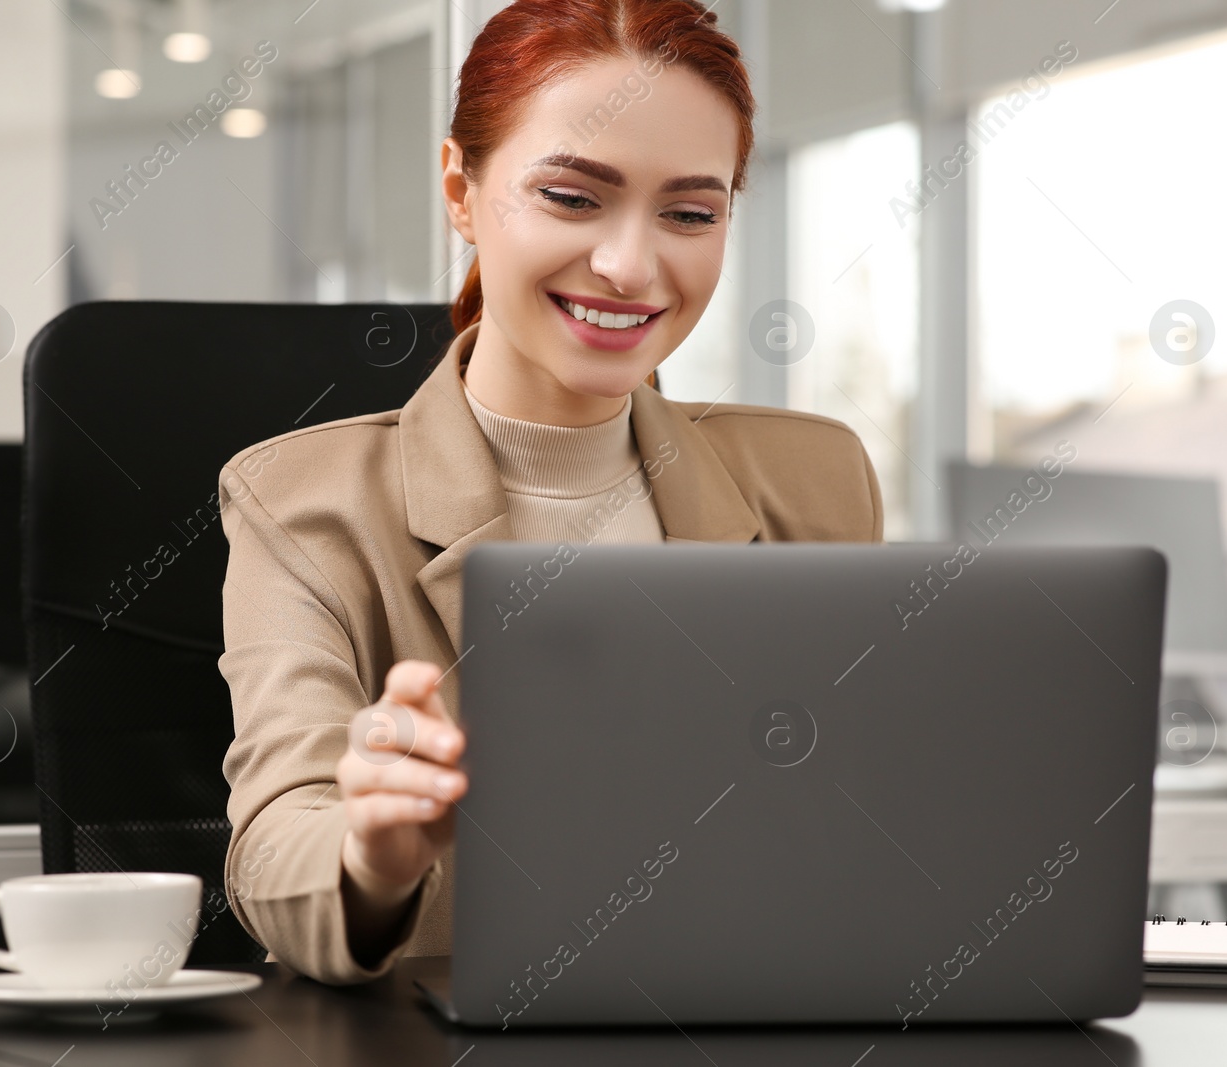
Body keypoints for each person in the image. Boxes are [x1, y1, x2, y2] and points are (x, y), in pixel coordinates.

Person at [217, 0, 883, 984]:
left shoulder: (811, 479)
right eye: (574, 198)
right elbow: (273, 852)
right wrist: (373, 852)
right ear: (460, 187)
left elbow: (858, 823)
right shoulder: (302, 503)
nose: (628, 264)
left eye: (690, 212)